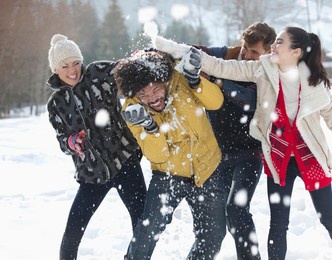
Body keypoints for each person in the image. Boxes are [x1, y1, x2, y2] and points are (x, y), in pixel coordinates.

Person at [153, 26, 332, 260]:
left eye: (279, 42)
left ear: (296, 52)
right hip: (278, 159)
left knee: (328, 217)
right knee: (278, 224)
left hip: (311, 159)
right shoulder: (263, 68)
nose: (273, 46)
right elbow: (222, 66)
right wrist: (175, 49)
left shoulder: (314, 85)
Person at [113, 49, 227, 260]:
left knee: (213, 235)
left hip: (207, 169)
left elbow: (216, 102)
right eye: (143, 95)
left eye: (156, 90)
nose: (152, 98)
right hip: (168, 174)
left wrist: (196, 82)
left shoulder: (181, 79)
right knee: (147, 234)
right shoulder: (133, 109)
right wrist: (149, 127)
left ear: (164, 80)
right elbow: (158, 156)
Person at [46, 34, 147, 260]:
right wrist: (72, 142)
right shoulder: (56, 104)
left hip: (124, 161)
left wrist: (141, 58)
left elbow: (127, 72)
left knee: (142, 224)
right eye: (65, 66)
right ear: (55, 69)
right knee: (73, 231)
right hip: (91, 173)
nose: (73, 70)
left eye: (75, 63)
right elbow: (62, 140)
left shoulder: (98, 73)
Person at [194, 22, 276, 260]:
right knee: (212, 219)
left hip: (249, 152)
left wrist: (218, 80)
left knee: (237, 210)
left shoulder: (267, 71)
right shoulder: (227, 54)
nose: (247, 56)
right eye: (247, 49)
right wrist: (160, 51)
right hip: (217, 154)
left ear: (268, 52)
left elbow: (248, 100)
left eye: (255, 53)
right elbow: (196, 51)